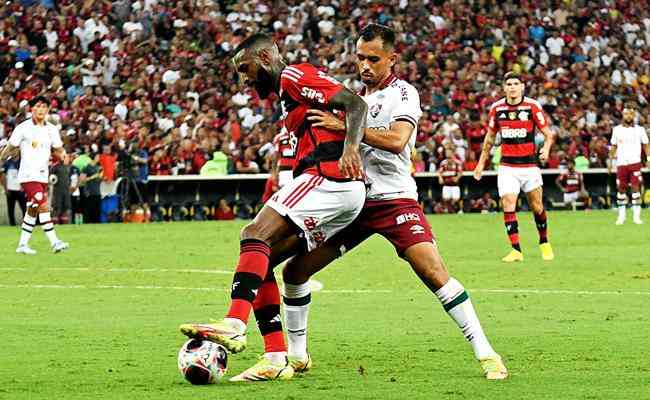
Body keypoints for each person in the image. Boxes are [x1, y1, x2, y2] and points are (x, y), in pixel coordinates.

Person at [280, 24, 507, 380]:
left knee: (433, 271)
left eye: (374, 58)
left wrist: (344, 130)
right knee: (295, 270)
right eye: (360, 58)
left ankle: (487, 353)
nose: (365, 65)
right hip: (352, 202)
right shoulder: (355, 99)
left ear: (392, 59)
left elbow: (399, 140)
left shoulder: (403, 93)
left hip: (394, 200)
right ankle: (297, 357)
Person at [179, 33, 368, 382]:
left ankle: (234, 323)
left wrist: (350, 148)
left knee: (252, 234)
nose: (244, 78)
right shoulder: (286, 95)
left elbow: (356, 104)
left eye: (246, 68)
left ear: (266, 57)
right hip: (337, 191)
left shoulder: (294, 76)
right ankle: (275, 357)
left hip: (329, 178)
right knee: (262, 261)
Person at [473, 72, 556, 263]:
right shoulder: (497, 108)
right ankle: (516, 250)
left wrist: (546, 148)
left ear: (522, 86)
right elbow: (490, 138)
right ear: (504, 87)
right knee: (508, 204)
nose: (512, 87)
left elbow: (548, 133)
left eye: (515, 83)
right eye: (508, 84)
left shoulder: (532, 106)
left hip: (529, 166)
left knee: (537, 206)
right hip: (507, 167)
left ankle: (544, 242)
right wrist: (480, 164)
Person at [0, 96, 69, 254]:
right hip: (28, 175)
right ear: (32, 109)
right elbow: (11, 147)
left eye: (44, 106)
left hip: (42, 176)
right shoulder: (23, 128)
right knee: (43, 204)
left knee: (33, 208)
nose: (41, 109)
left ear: (47, 110)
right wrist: (1, 158)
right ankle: (55, 242)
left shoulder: (51, 129)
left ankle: (22, 245)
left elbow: (58, 149)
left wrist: (64, 155)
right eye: (38, 106)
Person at [608, 102, 650, 225]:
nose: (628, 116)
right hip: (621, 163)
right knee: (621, 189)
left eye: (631, 114)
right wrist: (610, 162)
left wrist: (648, 159)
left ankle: (636, 216)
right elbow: (613, 147)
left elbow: (646, 145)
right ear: (623, 115)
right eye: (626, 114)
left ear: (634, 115)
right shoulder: (616, 130)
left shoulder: (640, 130)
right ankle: (622, 216)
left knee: (636, 188)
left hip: (635, 162)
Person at [1, 157, 26, 226]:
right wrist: (5, 188)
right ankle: (12, 225)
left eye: (14, 150)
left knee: (24, 208)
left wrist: (24, 187)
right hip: (10, 190)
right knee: (10, 209)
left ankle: (26, 224)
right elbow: (2, 175)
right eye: (11, 150)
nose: (13, 152)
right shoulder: (7, 162)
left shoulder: (23, 161)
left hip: (20, 189)